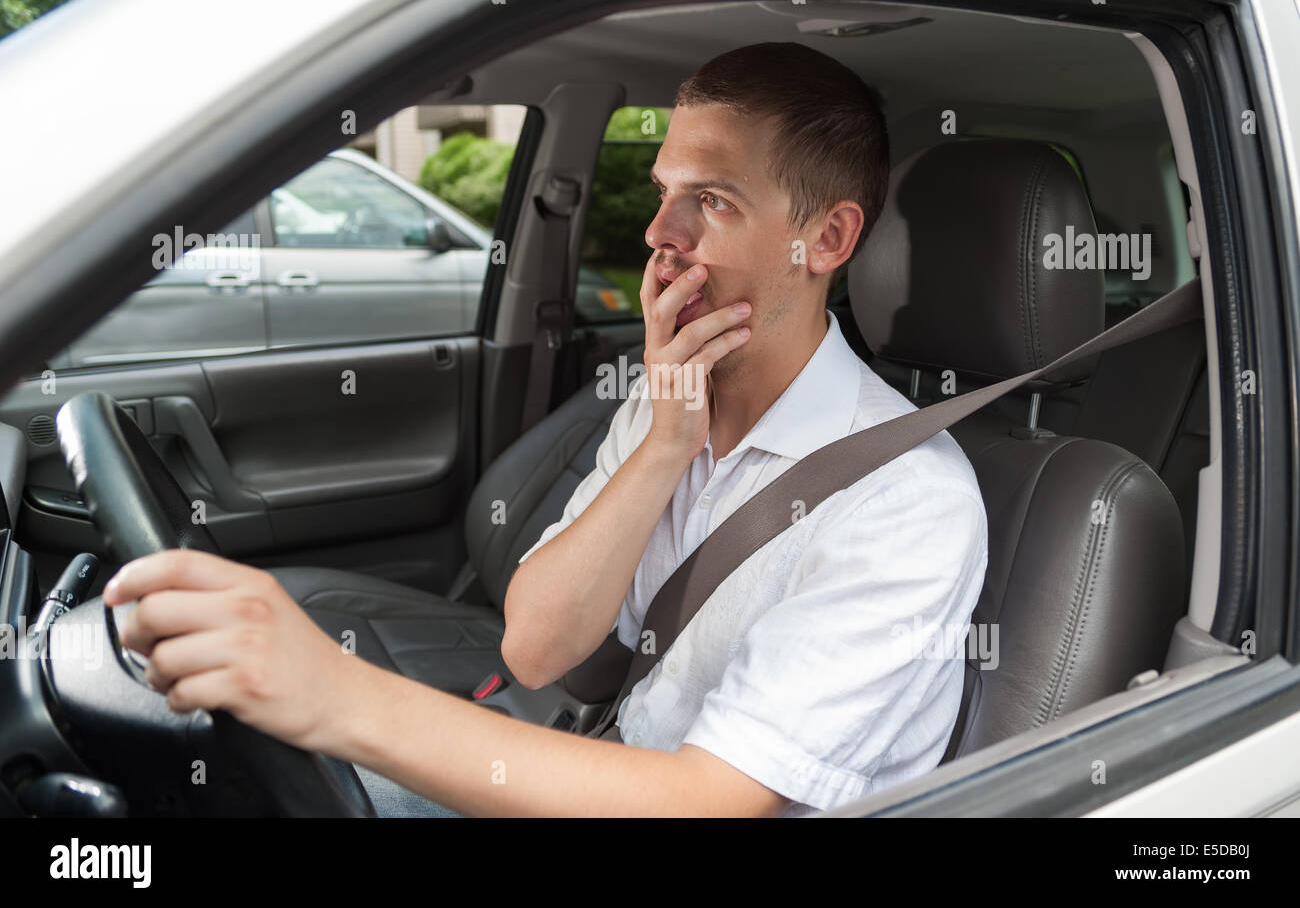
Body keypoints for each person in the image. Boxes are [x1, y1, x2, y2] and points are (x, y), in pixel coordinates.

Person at [102, 42, 988, 818]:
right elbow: (535, 649)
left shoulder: (909, 500)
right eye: (664, 193)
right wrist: (665, 445)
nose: (658, 234)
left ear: (825, 239)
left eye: (711, 201)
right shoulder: (671, 397)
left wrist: (333, 693)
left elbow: (706, 803)